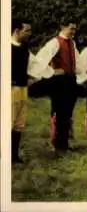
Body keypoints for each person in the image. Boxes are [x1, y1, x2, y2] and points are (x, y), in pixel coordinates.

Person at [35, 20, 81, 155]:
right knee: (60, 112)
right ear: (62, 27)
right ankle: (57, 144)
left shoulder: (72, 43)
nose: (73, 31)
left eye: (75, 29)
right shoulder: (55, 42)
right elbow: (40, 59)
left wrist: (81, 76)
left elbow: (77, 62)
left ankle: (64, 143)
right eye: (71, 28)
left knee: (68, 113)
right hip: (59, 81)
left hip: (70, 80)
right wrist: (52, 72)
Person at [11, 19, 48, 163]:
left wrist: (34, 79)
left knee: (19, 123)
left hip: (22, 89)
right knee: (8, 123)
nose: (29, 33)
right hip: (10, 90)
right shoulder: (6, 47)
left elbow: (36, 66)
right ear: (16, 31)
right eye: (27, 30)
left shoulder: (25, 48)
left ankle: (14, 156)